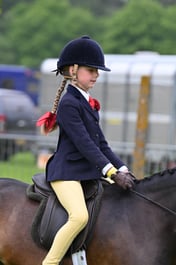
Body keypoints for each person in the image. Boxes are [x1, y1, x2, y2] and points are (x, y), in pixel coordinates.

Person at [36, 35, 135, 265]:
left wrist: (123, 169)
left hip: (86, 171)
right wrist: (111, 172)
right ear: (73, 70)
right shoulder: (69, 104)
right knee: (79, 216)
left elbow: (101, 144)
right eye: (91, 70)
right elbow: (85, 144)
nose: (96, 75)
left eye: (97, 71)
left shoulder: (87, 103)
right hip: (67, 172)